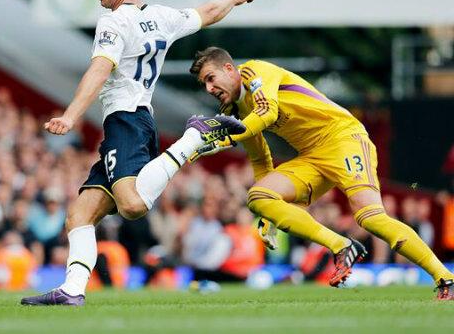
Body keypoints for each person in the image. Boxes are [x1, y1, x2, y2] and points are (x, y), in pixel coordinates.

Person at [21, 0, 254, 306]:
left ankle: (194, 137)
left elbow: (99, 69)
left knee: (131, 205)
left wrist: (70, 116)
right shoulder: (161, 16)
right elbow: (207, 12)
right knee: (80, 214)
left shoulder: (114, 22)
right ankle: (72, 290)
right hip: (138, 119)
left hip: (125, 120)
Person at [183, 46, 454, 300]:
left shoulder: (255, 72)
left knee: (370, 217)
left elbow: (267, 113)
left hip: (343, 138)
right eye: (204, 84)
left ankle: (446, 279)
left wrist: (224, 138)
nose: (209, 88)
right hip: (312, 157)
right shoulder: (233, 110)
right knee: (259, 196)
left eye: (211, 78)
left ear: (229, 69)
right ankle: (340, 245)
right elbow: (259, 156)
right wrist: (269, 215)